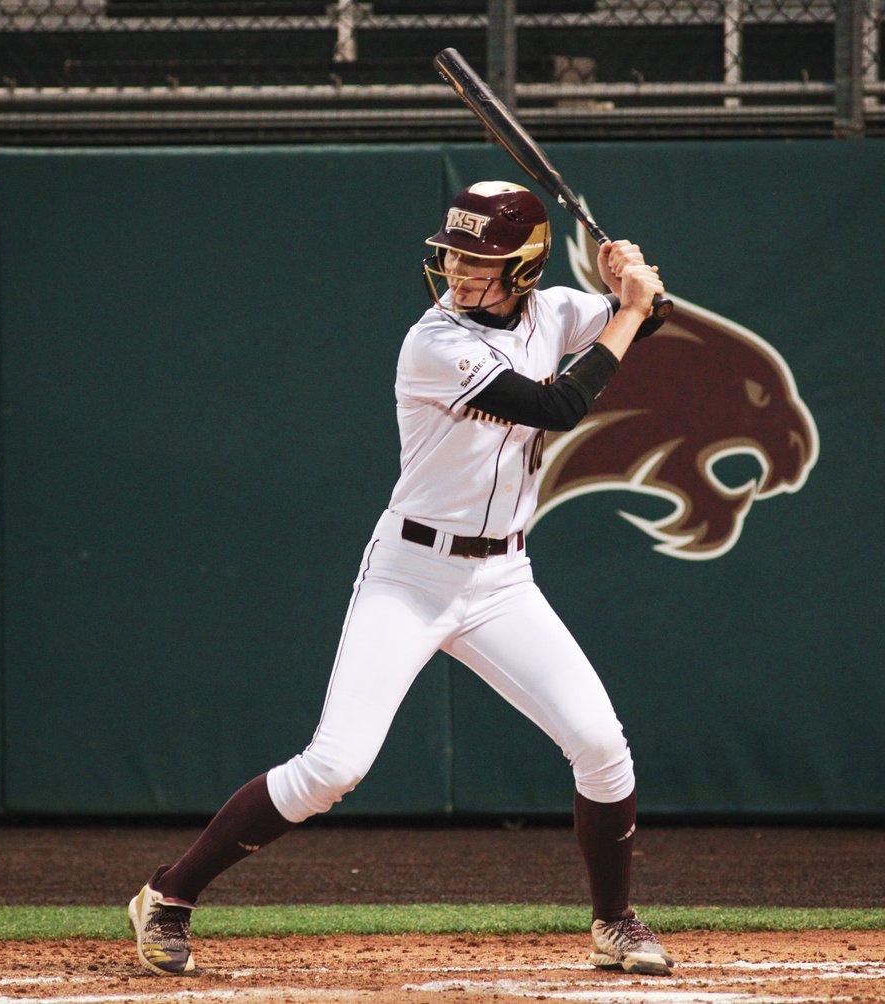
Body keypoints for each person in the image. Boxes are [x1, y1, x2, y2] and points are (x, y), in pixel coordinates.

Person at [128, 180, 675, 978]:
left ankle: (614, 922)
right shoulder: (435, 342)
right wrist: (629, 308)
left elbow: (651, 317)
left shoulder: (555, 311)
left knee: (600, 746)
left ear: (525, 268)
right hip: (411, 575)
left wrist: (633, 283)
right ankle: (168, 894)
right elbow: (558, 405)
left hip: (502, 579)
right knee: (333, 768)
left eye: (481, 261)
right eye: (455, 255)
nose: (461, 271)